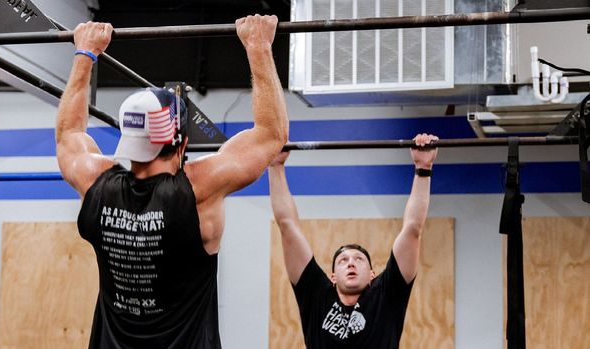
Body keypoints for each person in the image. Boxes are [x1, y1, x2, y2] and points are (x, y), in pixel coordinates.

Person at [55, 15, 288, 348]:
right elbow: (271, 135)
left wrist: (85, 53)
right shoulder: (197, 191)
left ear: (129, 139)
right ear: (182, 144)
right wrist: (258, 46)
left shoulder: (95, 183)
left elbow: (69, 135)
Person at [268, 133, 439, 349]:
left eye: (359, 259)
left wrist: (423, 168)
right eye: (342, 261)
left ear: (372, 275)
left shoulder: (386, 296)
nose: (350, 263)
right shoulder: (317, 296)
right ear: (332, 278)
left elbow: (413, 229)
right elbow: (287, 226)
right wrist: (275, 166)